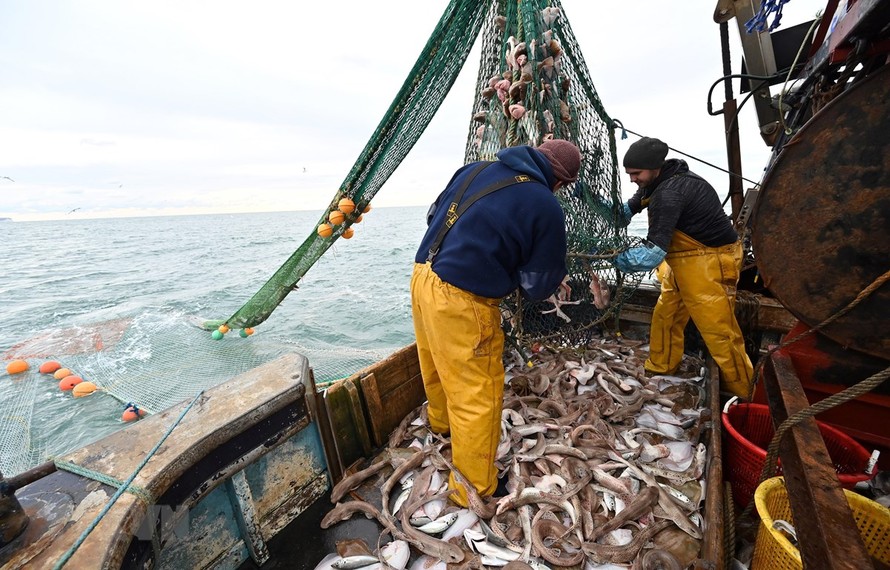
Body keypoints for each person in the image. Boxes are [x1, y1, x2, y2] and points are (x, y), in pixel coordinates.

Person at [410, 139, 581, 507]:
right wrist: (552, 276)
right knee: (477, 394)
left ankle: (440, 426)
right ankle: (473, 487)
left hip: (423, 275)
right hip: (463, 299)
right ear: (561, 182)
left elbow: (434, 215)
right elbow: (537, 285)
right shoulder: (545, 204)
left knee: (436, 363)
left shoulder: (476, 167)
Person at [611, 136, 753, 398]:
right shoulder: (654, 184)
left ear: (654, 167)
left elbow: (652, 254)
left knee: (720, 333)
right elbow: (622, 215)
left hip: (712, 261)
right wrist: (586, 196)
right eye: (629, 174)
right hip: (684, 261)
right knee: (667, 315)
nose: (632, 179)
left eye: (635, 173)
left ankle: (743, 394)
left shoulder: (669, 193)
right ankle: (661, 366)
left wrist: (613, 258)